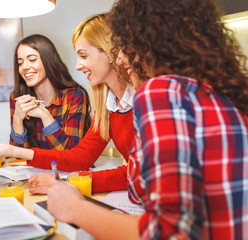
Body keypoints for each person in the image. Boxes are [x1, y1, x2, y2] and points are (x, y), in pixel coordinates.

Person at [46, 0, 248, 239]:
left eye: (126, 44)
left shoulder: (161, 91)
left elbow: (170, 234)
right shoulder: (218, 93)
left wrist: (75, 208)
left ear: (152, 41)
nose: (119, 59)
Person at [0, 14, 136, 194]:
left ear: (111, 52)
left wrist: (64, 183)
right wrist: (11, 147)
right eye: (20, 62)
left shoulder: (146, 100)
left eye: (83, 56)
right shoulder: (107, 107)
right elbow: (81, 158)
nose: (78, 66)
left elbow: (135, 175)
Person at [10, 34, 91, 150]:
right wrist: (17, 119)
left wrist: (44, 115)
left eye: (32, 59)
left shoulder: (74, 96)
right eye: (20, 63)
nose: (25, 67)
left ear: (49, 60)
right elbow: (17, 154)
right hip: (35, 168)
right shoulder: (16, 97)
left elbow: (71, 152)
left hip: (68, 168)